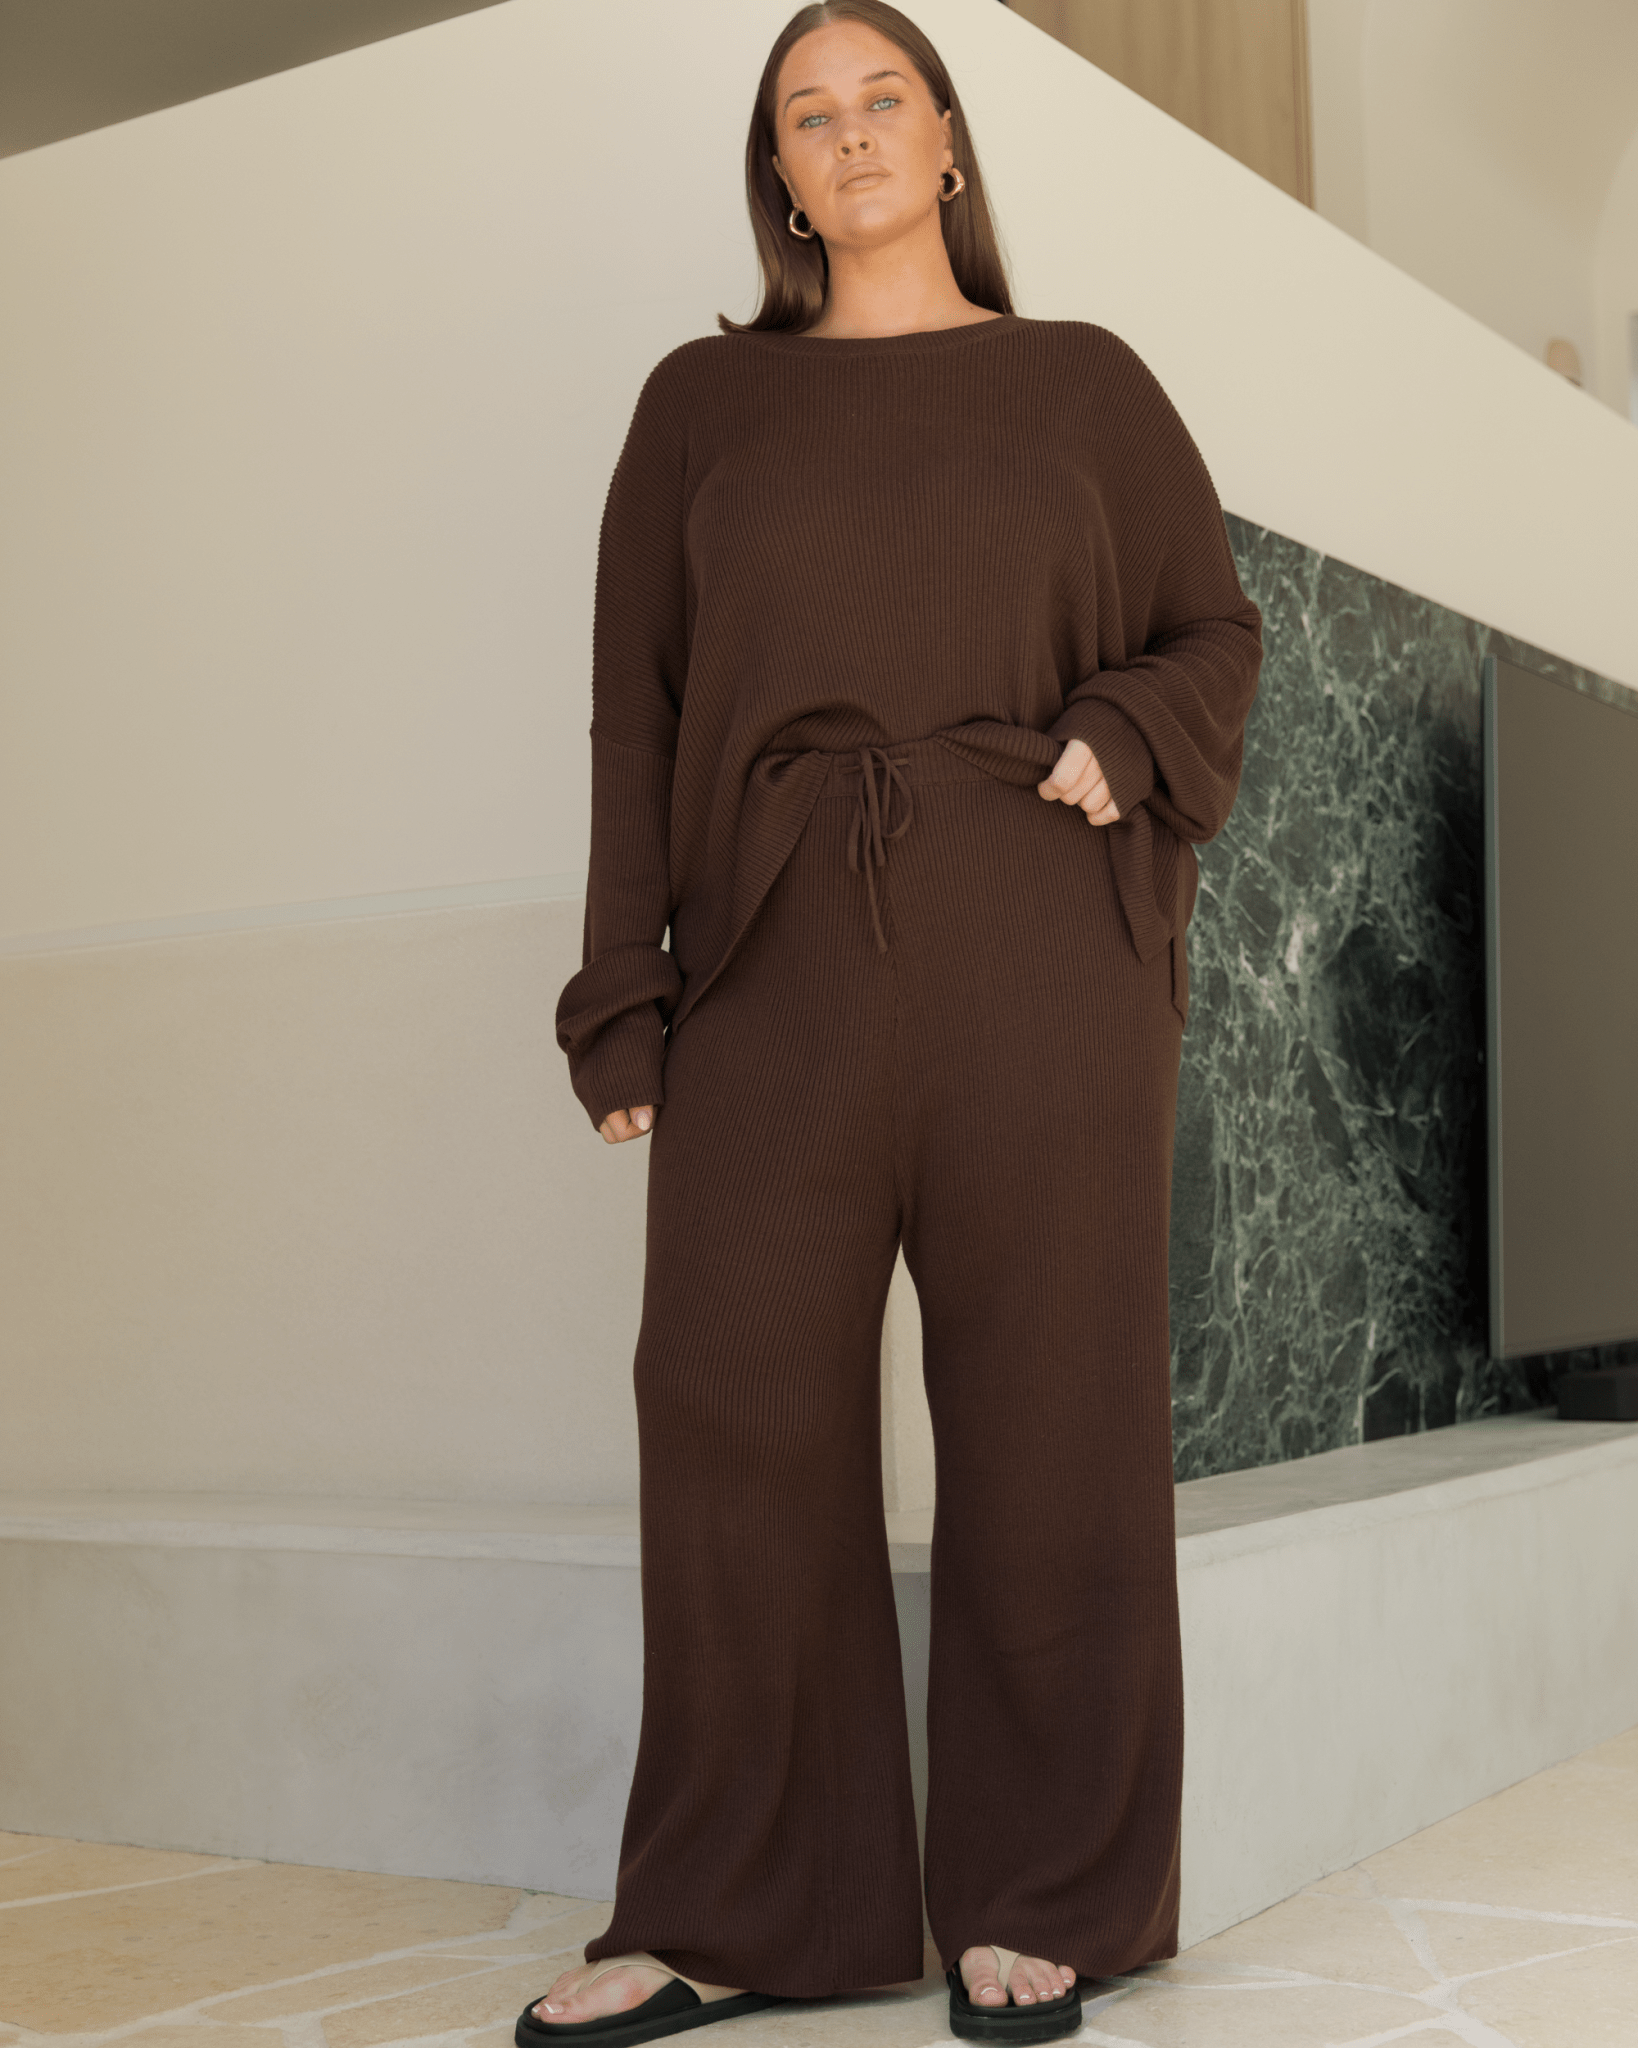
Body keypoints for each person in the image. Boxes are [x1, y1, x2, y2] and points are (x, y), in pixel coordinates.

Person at [520, 3, 1263, 2041]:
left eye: (880, 100)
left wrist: (1125, 731)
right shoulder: (700, 406)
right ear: (778, 174)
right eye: (805, 114)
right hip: (774, 946)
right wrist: (619, 994)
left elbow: (1214, 626)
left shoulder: (1082, 382)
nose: (846, 134)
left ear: (945, 140)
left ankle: (1044, 1894)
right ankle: (732, 1906)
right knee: (730, 1396)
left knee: (1052, 1411)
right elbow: (635, 714)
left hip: (1041, 941)